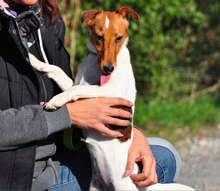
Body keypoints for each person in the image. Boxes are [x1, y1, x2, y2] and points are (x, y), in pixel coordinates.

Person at [0, 0, 181, 190]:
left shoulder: (47, 18)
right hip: (19, 178)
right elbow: (75, 104)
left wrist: (130, 131)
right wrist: (68, 114)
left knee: (164, 154)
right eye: (101, 39)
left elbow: (79, 96)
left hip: (52, 160)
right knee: (160, 165)